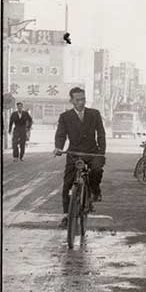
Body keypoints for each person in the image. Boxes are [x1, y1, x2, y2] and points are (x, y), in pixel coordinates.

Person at [54, 87, 106, 228]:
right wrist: (58, 147)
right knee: (67, 184)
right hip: (74, 154)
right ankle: (66, 215)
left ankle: (95, 190)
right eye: (77, 100)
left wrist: (102, 151)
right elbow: (61, 134)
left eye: (83, 99)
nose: (81, 102)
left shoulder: (94, 114)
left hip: (92, 153)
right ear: (71, 101)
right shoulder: (65, 117)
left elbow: (101, 133)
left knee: (96, 170)